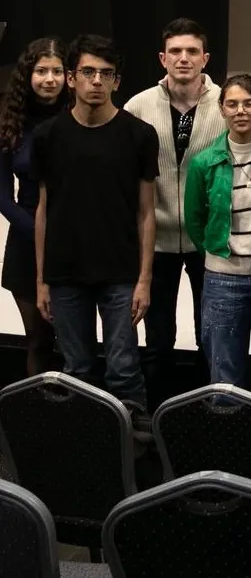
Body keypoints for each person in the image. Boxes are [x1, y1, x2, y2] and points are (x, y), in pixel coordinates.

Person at [32, 35, 158, 438]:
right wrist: (42, 279)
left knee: (123, 369)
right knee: (77, 370)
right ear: (71, 78)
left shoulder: (139, 135)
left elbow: (146, 212)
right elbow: (44, 209)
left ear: (117, 81)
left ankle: (133, 450)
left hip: (120, 273)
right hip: (65, 273)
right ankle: (84, 450)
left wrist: (144, 279)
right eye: (88, 72)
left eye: (106, 74)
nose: (97, 81)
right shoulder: (48, 136)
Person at [124, 18, 223, 408]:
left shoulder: (226, 104)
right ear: (162, 58)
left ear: (205, 59)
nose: (184, 58)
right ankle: (156, 416)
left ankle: (204, 413)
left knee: (209, 335)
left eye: (192, 51)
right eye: (176, 51)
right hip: (156, 241)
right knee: (158, 338)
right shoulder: (138, 106)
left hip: (207, 241)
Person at [183, 74, 251, 402]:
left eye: (248, 103)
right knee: (225, 377)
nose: (240, 110)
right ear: (222, 110)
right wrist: (216, 255)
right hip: (222, 283)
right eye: (232, 104)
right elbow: (194, 219)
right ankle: (228, 432)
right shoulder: (203, 162)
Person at [0, 38, 69, 376]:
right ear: (28, 74)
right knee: (38, 341)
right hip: (26, 241)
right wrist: (40, 232)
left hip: (74, 238)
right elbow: (2, 197)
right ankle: (36, 406)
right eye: (42, 71)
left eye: (57, 71)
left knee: (73, 342)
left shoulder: (79, 115)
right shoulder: (10, 122)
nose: (50, 79)